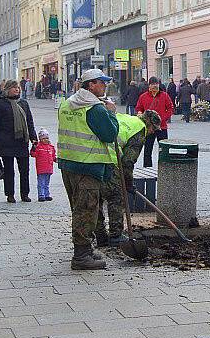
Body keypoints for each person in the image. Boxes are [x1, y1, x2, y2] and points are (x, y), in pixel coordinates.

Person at [58, 69, 119, 270]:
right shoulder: (95, 108)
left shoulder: (67, 104)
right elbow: (110, 134)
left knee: (78, 208)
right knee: (86, 211)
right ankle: (81, 255)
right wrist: (111, 113)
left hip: (68, 164)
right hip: (88, 166)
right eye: (102, 82)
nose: (105, 86)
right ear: (91, 85)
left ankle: (86, 247)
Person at [96, 110, 162, 246]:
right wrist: (128, 183)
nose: (152, 132)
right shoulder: (139, 131)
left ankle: (100, 236)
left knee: (97, 198)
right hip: (110, 160)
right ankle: (115, 236)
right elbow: (127, 161)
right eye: (153, 129)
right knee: (116, 197)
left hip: (94, 157)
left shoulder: (129, 119)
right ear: (149, 124)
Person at [0, 80, 37, 203]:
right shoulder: (0, 104)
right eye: (14, 87)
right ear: (7, 90)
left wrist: (34, 138)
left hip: (22, 142)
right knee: (9, 170)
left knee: (24, 170)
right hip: (5, 142)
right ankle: (10, 194)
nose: (17, 89)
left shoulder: (24, 103)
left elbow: (30, 122)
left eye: (18, 87)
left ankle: (24, 194)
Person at [135, 77, 174, 167]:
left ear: (158, 85)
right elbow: (138, 108)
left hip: (162, 127)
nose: (154, 86)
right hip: (149, 128)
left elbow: (170, 108)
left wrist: (163, 118)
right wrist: (140, 114)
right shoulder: (143, 96)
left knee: (164, 149)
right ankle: (147, 168)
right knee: (147, 150)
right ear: (149, 85)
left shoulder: (164, 95)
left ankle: (165, 167)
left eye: (156, 84)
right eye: (152, 84)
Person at [31, 128, 56, 201]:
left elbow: (53, 155)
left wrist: (55, 159)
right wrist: (34, 147)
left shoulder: (51, 147)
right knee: (41, 183)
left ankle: (47, 194)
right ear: (40, 139)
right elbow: (33, 154)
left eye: (47, 138)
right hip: (41, 168)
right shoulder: (38, 147)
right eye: (43, 138)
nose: (46, 140)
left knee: (47, 183)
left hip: (49, 168)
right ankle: (41, 195)